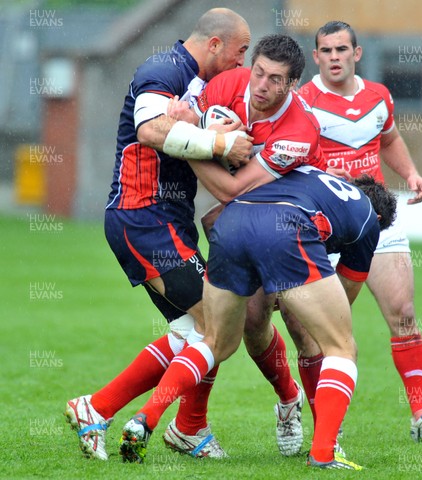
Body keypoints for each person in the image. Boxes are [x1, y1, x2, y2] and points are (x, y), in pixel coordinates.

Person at [117, 33, 327, 464]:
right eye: (259, 72)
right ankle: (273, 403)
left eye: (275, 80)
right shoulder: (228, 83)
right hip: (237, 224)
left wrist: (192, 139)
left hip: (288, 226)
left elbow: (231, 188)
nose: (261, 85)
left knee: (302, 326)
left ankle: (324, 435)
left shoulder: (299, 130)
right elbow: (174, 123)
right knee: (242, 323)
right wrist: (198, 134)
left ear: (293, 85)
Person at [64, 8, 254, 461]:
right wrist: (221, 143)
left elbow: (186, 135)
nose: (241, 63)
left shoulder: (199, 85)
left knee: (194, 330)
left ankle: (99, 407)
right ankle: (185, 428)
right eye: (240, 51)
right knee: (219, 323)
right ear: (214, 44)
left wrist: (211, 131)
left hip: (165, 219)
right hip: (143, 219)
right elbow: (150, 130)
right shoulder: (163, 68)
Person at [120, 165, 397, 470]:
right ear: (381, 219)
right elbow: (342, 300)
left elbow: (211, 219)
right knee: (340, 344)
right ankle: (324, 453)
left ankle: (146, 417)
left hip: (231, 224)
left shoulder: (307, 174)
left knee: (214, 340)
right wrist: (291, 288)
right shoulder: (369, 221)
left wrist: (258, 276)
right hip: (286, 233)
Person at [288, 21, 422, 443]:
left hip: (378, 220)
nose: (334, 57)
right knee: (312, 331)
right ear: (315, 57)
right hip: (324, 226)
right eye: (325, 50)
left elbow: (391, 138)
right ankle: (326, 426)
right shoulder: (301, 101)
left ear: (356, 53)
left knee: (403, 314)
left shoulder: (378, 96)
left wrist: (412, 173)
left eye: (341, 49)